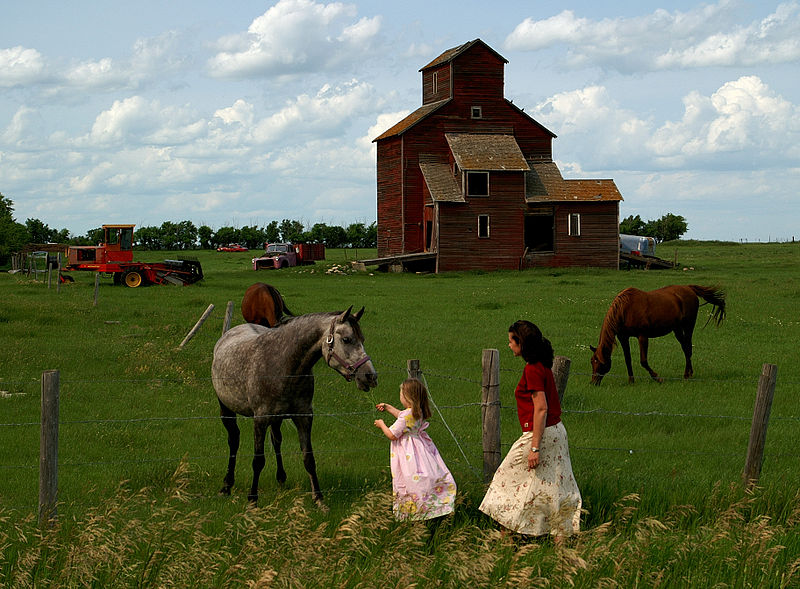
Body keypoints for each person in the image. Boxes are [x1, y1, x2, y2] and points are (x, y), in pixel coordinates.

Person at [479, 320, 581, 539]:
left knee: (506, 477)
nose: (509, 345)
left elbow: (541, 408)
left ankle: (510, 533)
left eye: (511, 341)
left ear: (522, 343)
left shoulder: (533, 369)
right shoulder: (541, 365)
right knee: (552, 487)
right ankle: (555, 536)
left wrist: (534, 447)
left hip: (542, 434)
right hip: (555, 432)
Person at [374, 378, 457, 520]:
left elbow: (392, 435)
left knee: (409, 479)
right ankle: (433, 506)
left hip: (408, 452)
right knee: (425, 476)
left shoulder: (407, 416)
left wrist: (382, 424)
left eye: (401, 394)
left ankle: (415, 511)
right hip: (421, 448)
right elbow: (402, 415)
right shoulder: (417, 411)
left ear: (407, 397)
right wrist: (388, 407)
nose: (400, 397)